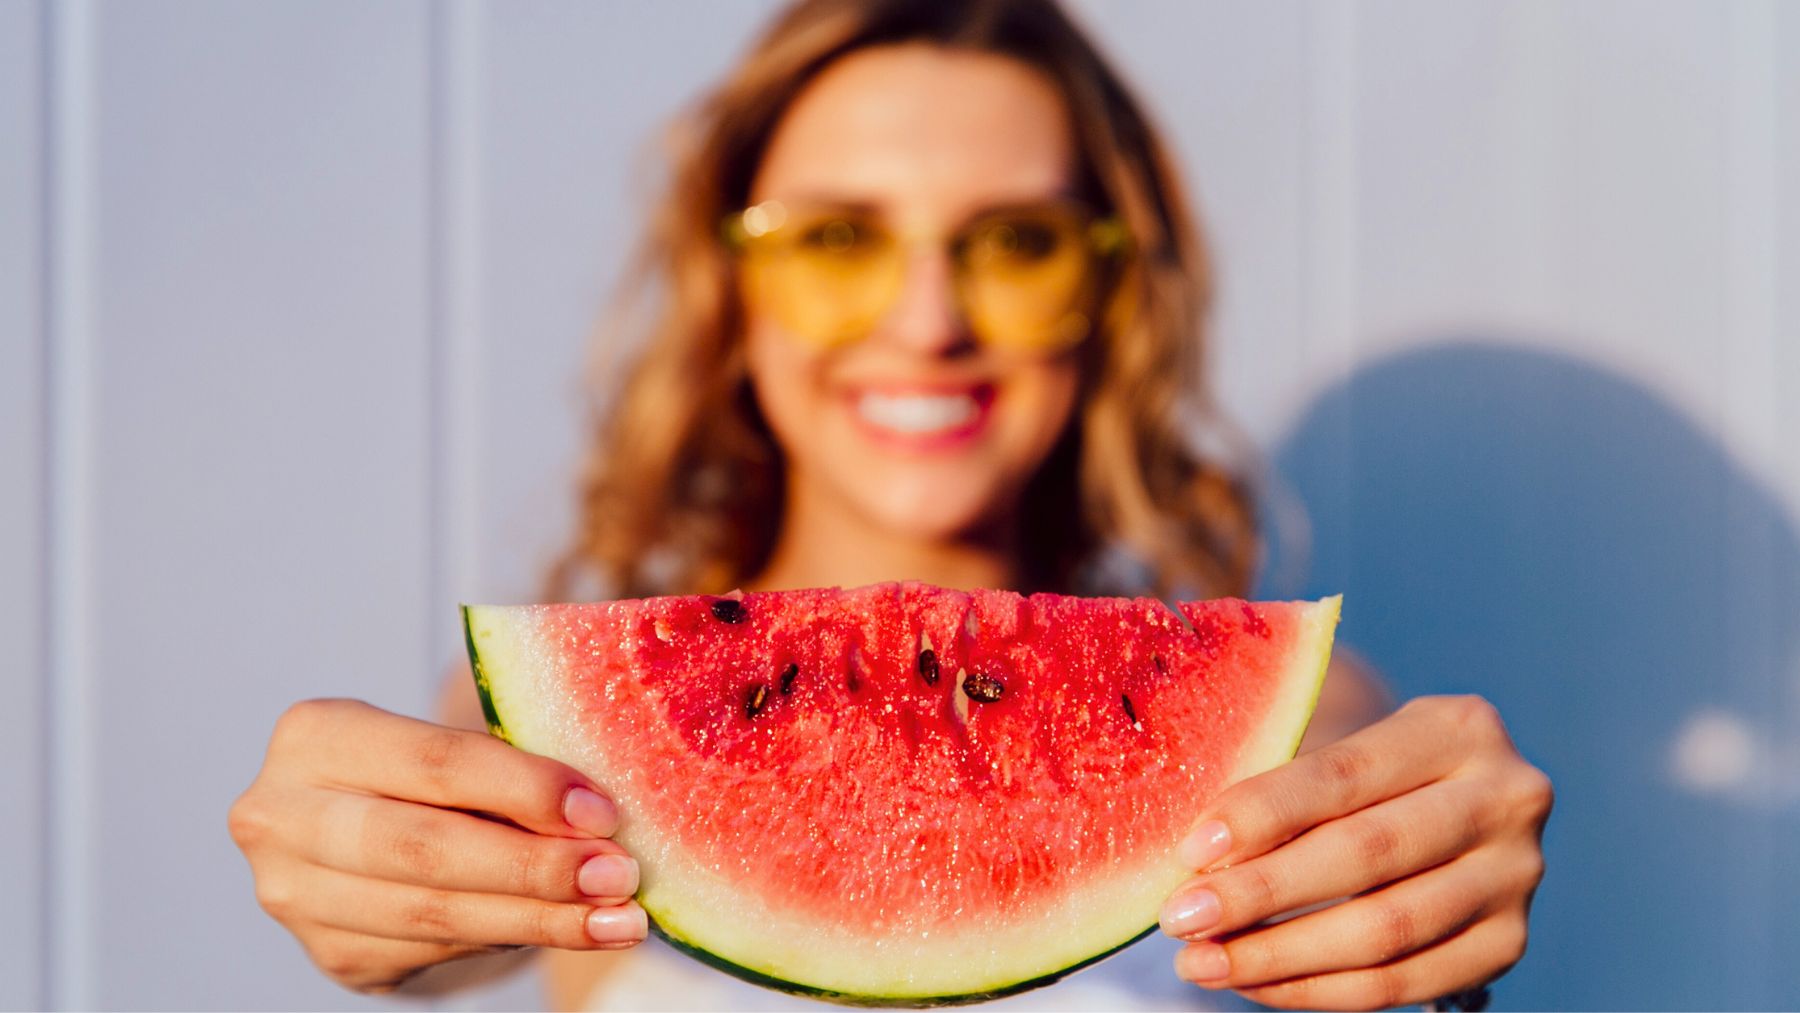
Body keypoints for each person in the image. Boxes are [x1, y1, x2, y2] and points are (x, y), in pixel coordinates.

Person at [229, 1, 1551, 1009]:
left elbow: (1382, 823)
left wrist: (1437, 937)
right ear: (734, 289)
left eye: (1018, 242)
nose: (926, 323)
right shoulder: (556, 737)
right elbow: (443, 886)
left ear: (1110, 292)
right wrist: (360, 874)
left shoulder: (1310, 719)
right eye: (834, 239)